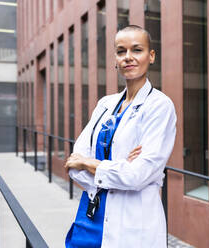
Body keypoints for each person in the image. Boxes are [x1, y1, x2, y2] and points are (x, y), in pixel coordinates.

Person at [64, 25, 177, 248]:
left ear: (151, 56)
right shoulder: (105, 104)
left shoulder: (160, 106)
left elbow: (137, 175)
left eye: (137, 50)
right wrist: (119, 166)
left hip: (132, 226)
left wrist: (89, 163)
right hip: (90, 219)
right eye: (121, 51)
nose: (128, 57)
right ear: (115, 59)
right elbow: (73, 165)